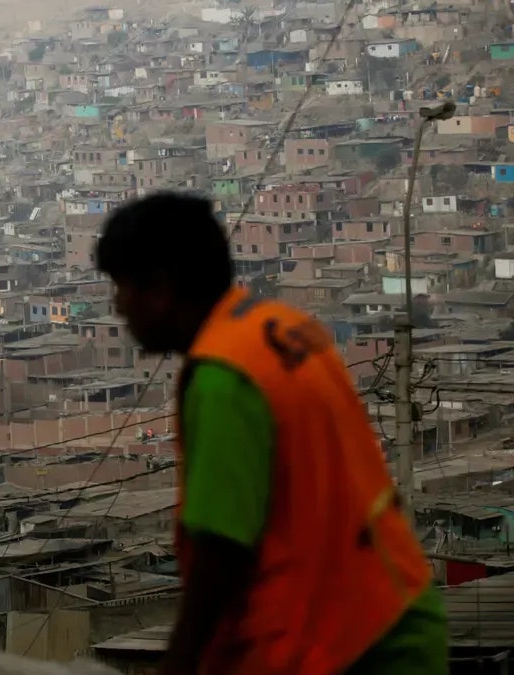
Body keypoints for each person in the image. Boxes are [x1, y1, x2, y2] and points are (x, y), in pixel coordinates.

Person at [95, 192, 447, 675]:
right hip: (397, 608)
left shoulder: (223, 376)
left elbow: (221, 548)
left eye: (121, 287)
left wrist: (180, 664)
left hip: (348, 646)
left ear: (159, 287)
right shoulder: (285, 328)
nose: (118, 307)